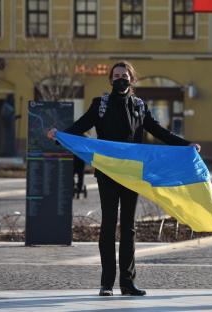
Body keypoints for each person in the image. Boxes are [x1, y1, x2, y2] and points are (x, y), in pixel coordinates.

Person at [48, 61, 200, 296]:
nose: (121, 78)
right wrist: (60, 136)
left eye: (125, 75)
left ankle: (128, 283)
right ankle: (106, 283)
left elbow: (159, 131)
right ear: (111, 80)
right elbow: (81, 126)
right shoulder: (100, 105)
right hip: (108, 174)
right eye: (117, 75)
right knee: (108, 226)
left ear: (132, 79)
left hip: (133, 175)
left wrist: (186, 145)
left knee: (129, 228)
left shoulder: (140, 106)